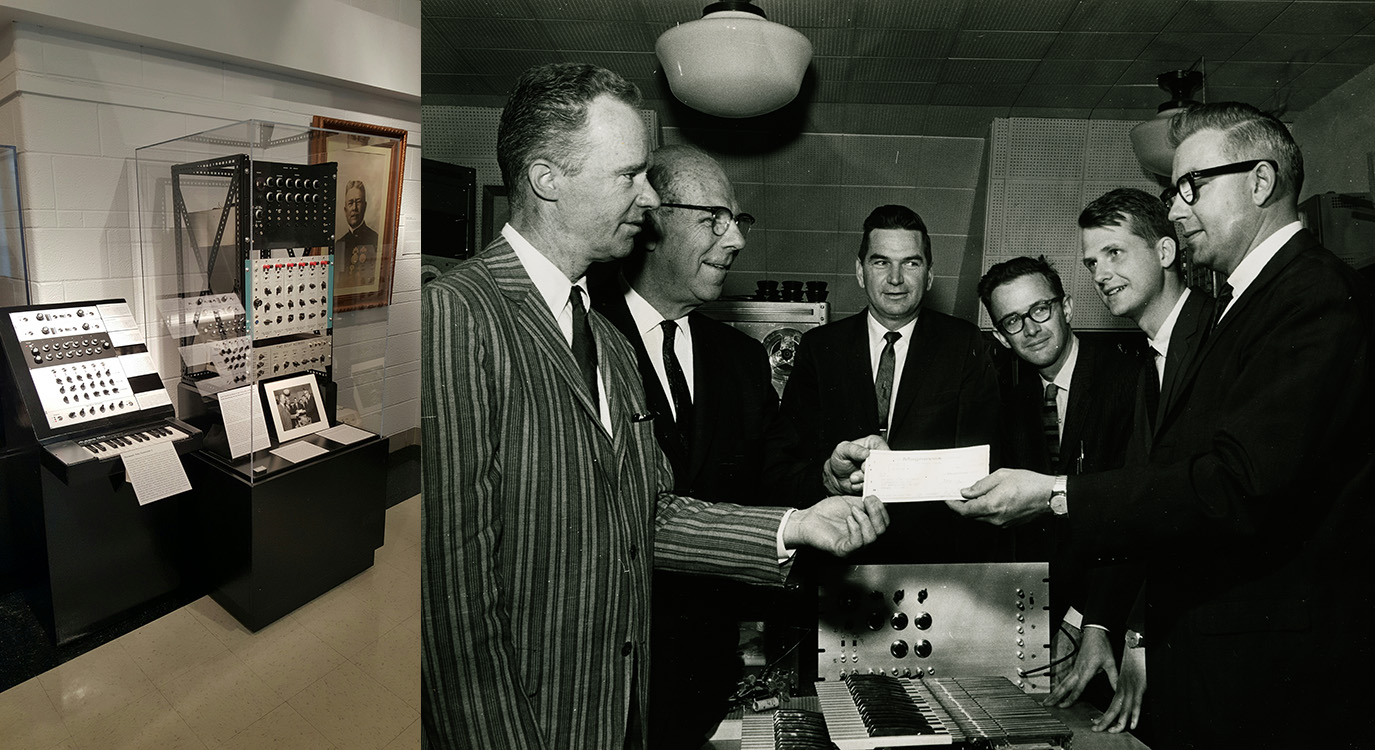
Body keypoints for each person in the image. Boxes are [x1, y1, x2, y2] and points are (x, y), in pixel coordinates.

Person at [420, 62, 890, 750]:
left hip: (619, 714)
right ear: (547, 179)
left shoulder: (601, 339)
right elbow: (452, 592)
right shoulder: (457, 314)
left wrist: (796, 524)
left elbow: (646, 514)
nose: (647, 199)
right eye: (627, 176)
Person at [950, 102, 1374, 749]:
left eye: (1189, 187)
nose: (1174, 210)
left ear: (1259, 182)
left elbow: (1232, 487)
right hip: (1213, 661)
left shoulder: (1308, 295)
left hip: (1268, 676)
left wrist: (1053, 492)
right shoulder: (1246, 305)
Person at [587, 143, 776, 748]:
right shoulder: (582, 336)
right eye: (713, 219)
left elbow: (772, 479)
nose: (736, 240)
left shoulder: (743, 360)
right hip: (605, 673)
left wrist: (829, 473)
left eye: (737, 221)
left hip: (706, 674)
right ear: (652, 221)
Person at [765, 204, 1003, 562]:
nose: (895, 278)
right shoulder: (821, 347)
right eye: (881, 262)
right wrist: (829, 478)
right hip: (839, 552)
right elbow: (785, 462)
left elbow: (981, 460)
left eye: (911, 263)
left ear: (930, 275)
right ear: (860, 272)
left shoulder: (964, 343)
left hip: (932, 554)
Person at [976, 255, 1140, 721]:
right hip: (1050, 615)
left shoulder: (1128, 380)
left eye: (1040, 309)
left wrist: (1086, 619)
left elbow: (1133, 517)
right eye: (1012, 320)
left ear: (1067, 307)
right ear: (1000, 336)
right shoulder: (1012, 402)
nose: (1030, 328)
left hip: (1118, 611)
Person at [336, 180, 379, 286]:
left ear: (365, 206)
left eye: (358, 202)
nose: (354, 208)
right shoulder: (338, 244)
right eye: (350, 203)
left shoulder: (376, 239)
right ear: (345, 210)